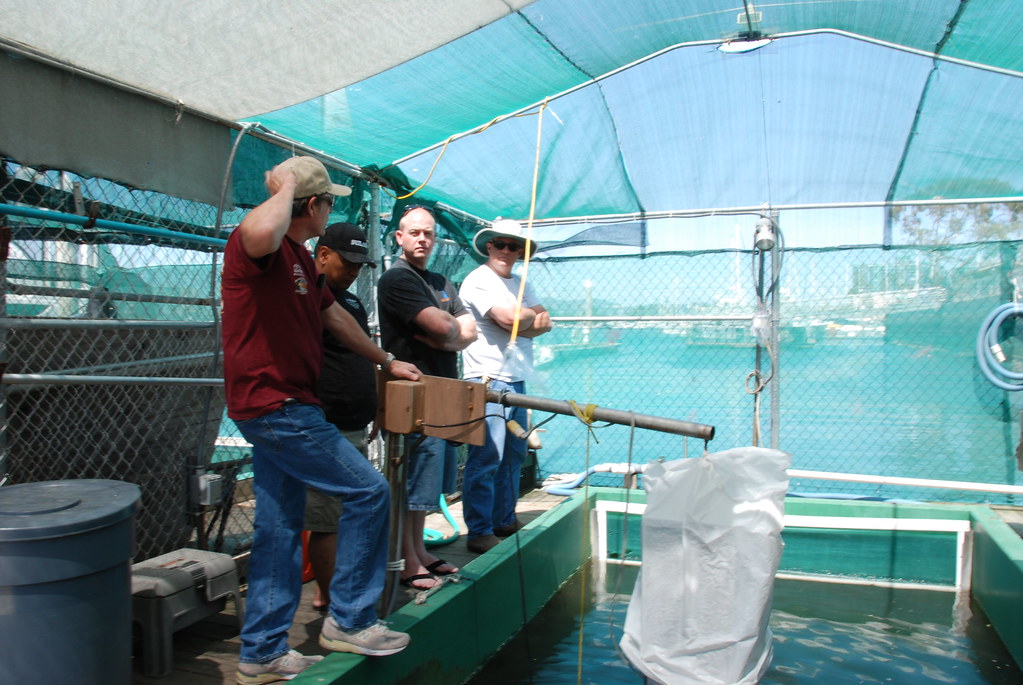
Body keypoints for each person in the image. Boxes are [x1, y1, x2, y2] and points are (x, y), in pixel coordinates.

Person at [222, 156, 421, 685]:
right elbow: (260, 229)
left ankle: (262, 652)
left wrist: (386, 361)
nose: (331, 208)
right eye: (328, 201)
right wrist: (287, 184)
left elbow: (331, 314)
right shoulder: (259, 245)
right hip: (276, 405)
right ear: (313, 205)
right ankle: (350, 620)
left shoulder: (300, 260)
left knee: (280, 524)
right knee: (368, 492)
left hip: (286, 405)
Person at [377, 204, 477, 589]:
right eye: (414, 232)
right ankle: (404, 560)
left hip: (441, 391)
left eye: (429, 233)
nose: (422, 239)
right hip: (411, 394)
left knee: (429, 479)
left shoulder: (438, 279)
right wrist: (447, 330)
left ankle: (418, 551)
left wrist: (447, 335)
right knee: (410, 477)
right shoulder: (397, 280)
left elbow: (467, 332)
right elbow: (444, 324)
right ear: (399, 237)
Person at [458, 219, 552, 554]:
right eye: (501, 244)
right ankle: (479, 530)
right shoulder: (478, 281)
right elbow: (514, 321)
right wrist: (523, 319)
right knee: (487, 457)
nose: (507, 251)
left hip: (516, 380)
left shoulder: (520, 282)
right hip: (486, 379)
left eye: (515, 246)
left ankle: (504, 519)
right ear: (488, 247)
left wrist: (519, 319)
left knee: (514, 454)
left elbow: (546, 323)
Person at [304, 222, 379, 613]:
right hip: (326, 427)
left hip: (356, 425)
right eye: (346, 262)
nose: (352, 271)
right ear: (322, 255)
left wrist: (377, 402)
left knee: (348, 515)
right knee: (328, 519)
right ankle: (332, 600)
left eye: (358, 265)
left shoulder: (352, 303)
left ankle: (337, 592)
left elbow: (361, 353)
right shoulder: (306, 299)